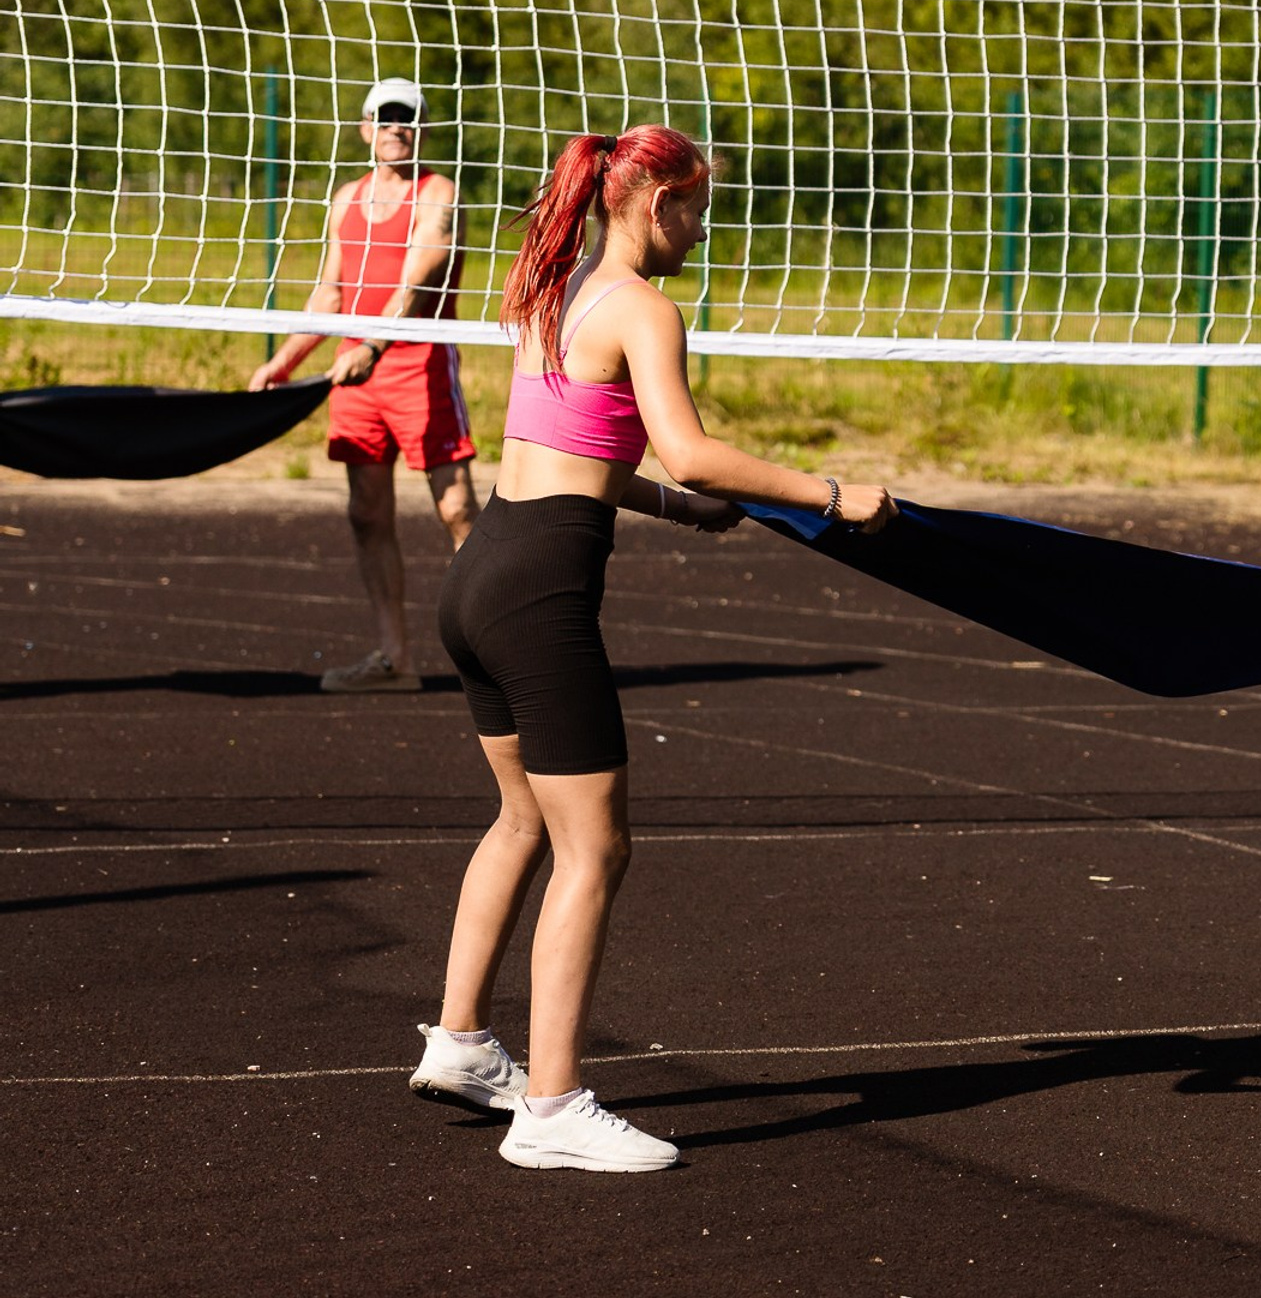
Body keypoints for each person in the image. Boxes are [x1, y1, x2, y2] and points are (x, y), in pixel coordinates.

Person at [414, 124, 894, 1172]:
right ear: (656, 203)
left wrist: (680, 511)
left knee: (523, 819)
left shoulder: (555, 285)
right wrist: (830, 493)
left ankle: (459, 1043)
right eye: (699, 210)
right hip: (538, 597)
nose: (703, 231)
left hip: (482, 572)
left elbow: (568, 449)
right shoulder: (643, 308)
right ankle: (551, 1110)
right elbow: (689, 448)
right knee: (596, 849)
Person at [250, 77, 479, 692]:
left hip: (418, 365)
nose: (396, 128)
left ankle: (497, 654)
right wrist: (284, 362)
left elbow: (417, 279)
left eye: (407, 119)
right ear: (365, 129)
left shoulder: (438, 193)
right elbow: (330, 292)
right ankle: (393, 661)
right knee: (366, 513)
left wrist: (374, 346)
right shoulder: (346, 198)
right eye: (385, 118)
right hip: (355, 372)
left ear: (421, 131)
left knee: (457, 508)